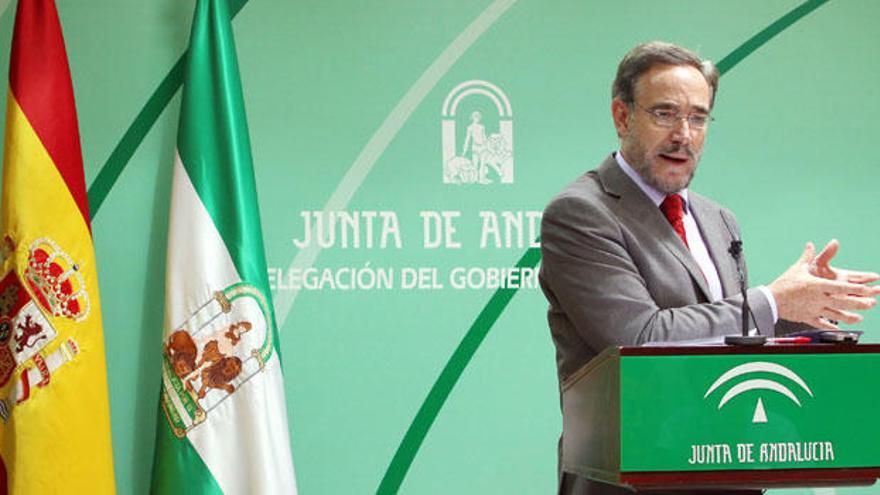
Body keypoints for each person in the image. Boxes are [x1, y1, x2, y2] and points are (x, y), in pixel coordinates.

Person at [538, 41, 880, 495]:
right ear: (622, 117)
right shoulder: (581, 212)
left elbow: (731, 337)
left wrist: (803, 309)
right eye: (664, 113)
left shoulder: (718, 219)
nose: (683, 133)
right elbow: (639, 337)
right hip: (629, 479)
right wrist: (772, 300)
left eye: (698, 117)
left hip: (726, 469)